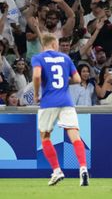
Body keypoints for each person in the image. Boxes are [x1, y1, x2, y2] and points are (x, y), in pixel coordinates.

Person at [32, 33, 89, 186]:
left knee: (45, 137)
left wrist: (37, 94)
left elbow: (37, 76)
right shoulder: (65, 58)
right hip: (66, 102)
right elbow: (77, 79)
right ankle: (83, 168)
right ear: (53, 43)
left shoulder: (38, 58)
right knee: (75, 136)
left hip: (48, 102)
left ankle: (57, 171)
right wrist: (64, 82)